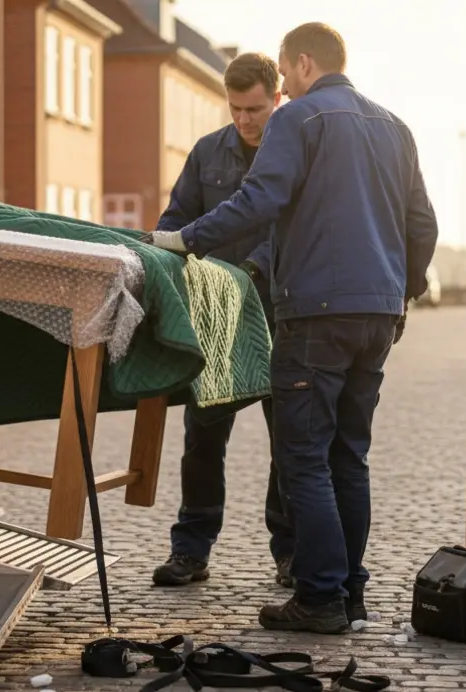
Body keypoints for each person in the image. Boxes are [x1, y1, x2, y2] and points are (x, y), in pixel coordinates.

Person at [144, 22, 439, 634]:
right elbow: (422, 225)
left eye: (285, 71)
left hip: (313, 315)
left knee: (303, 459)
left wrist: (185, 239)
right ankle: (349, 592)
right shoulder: (394, 126)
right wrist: (401, 293)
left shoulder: (298, 120)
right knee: (348, 457)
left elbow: (261, 202)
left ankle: (321, 596)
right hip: (378, 314)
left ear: (303, 64)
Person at [149, 53, 296, 590]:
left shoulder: (295, 150)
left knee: (289, 442)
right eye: (235, 109)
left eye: (254, 108)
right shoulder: (207, 151)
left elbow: (284, 229)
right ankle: (191, 550)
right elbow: (175, 219)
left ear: (277, 98)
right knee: (202, 441)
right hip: (214, 320)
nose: (245, 120)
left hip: (279, 318)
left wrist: (249, 270)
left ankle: (291, 553)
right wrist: (164, 256)